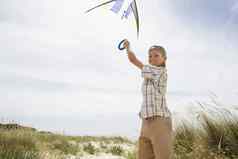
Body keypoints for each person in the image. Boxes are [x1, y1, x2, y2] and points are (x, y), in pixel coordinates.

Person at [123, 39, 173, 159]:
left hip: (159, 122)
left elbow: (133, 60)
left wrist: (128, 48)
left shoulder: (160, 72)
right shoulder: (149, 75)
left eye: (156, 55)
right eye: (150, 56)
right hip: (146, 122)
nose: (152, 58)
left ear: (164, 59)